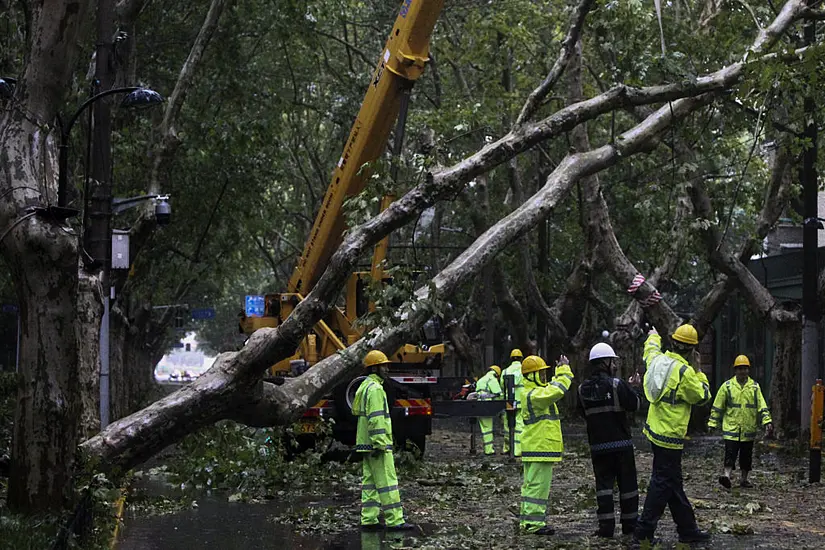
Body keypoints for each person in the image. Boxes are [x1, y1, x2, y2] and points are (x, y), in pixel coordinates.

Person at [633, 325, 712, 546]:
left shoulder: (657, 360)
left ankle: (688, 529)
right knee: (662, 483)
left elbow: (649, 349)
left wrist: (653, 335)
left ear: (673, 342)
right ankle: (643, 532)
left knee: (672, 482)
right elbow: (702, 396)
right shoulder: (685, 372)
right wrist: (699, 371)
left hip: (655, 430)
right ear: (692, 350)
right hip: (671, 435)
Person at [578, 342, 640, 538]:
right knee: (628, 487)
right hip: (621, 445)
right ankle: (630, 526)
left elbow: (583, 413)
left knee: (603, 488)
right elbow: (635, 405)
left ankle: (606, 527)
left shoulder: (581, 389)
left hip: (598, 446)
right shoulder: (616, 384)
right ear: (605, 362)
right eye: (612, 361)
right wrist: (634, 388)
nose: (614, 364)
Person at [352, 350, 416, 531]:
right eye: (383, 365)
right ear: (375, 368)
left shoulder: (364, 387)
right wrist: (380, 443)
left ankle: (369, 519)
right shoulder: (376, 390)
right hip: (376, 444)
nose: (387, 368)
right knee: (388, 482)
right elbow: (376, 418)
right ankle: (395, 520)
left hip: (366, 443)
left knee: (370, 483)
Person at [519, 354, 574, 535]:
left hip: (536, 447)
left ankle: (527, 521)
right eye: (540, 374)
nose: (544, 377)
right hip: (539, 447)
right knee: (538, 487)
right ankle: (534, 524)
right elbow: (557, 390)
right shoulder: (534, 395)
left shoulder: (533, 392)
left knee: (531, 485)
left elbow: (551, 388)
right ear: (531, 375)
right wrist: (564, 370)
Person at [708, 354, 773, 489]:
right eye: (740, 368)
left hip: (748, 429)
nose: (742, 371)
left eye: (745, 368)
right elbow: (718, 406)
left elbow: (762, 405)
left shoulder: (754, 387)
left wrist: (767, 421)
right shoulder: (727, 387)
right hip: (731, 429)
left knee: (746, 456)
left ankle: (744, 479)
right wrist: (712, 423)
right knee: (730, 453)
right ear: (735, 370)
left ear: (748, 370)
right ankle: (726, 475)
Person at [475, 365, 503, 455]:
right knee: (488, 429)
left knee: (484, 429)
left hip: (478, 405)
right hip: (487, 406)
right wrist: (500, 408)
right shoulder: (492, 379)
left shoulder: (481, 379)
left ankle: (487, 448)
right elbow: (498, 394)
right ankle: (489, 450)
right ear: (497, 374)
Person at [502, 349, 525, 456]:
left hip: (509, 401)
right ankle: (517, 450)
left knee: (507, 424)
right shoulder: (524, 370)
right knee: (519, 424)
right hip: (521, 400)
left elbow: (502, 386)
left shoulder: (505, 371)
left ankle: (507, 448)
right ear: (521, 358)